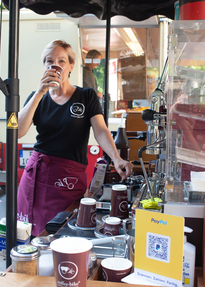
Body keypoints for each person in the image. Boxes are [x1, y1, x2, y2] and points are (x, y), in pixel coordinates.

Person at [17, 40, 133, 236]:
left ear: (71, 66)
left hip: (68, 179)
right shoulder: (37, 97)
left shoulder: (85, 96)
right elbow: (18, 131)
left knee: (65, 231)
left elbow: (101, 131)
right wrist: (39, 93)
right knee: (30, 236)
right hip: (37, 176)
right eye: (49, 61)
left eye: (61, 60)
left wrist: (116, 158)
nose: (54, 65)